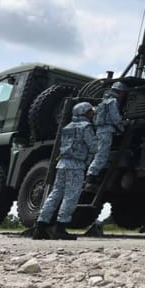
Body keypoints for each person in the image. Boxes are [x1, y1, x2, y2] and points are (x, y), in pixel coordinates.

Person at [32, 101, 97, 240]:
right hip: (76, 165)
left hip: (62, 164)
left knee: (54, 195)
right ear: (84, 113)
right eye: (90, 112)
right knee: (70, 197)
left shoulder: (67, 127)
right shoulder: (86, 127)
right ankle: (60, 228)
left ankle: (40, 227)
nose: (92, 114)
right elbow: (93, 146)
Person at [85, 81, 127, 187]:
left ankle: (94, 175)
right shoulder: (112, 102)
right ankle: (91, 176)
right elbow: (115, 117)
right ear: (120, 92)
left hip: (100, 130)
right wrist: (122, 128)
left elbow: (95, 118)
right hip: (106, 131)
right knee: (102, 154)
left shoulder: (102, 102)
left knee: (100, 153)